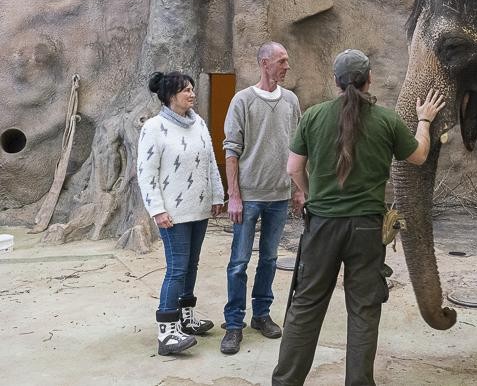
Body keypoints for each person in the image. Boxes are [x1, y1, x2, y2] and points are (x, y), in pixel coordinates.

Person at [272, 49, 445, 385]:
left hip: (321, 227)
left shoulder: (314, 116)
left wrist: (311, 194)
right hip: (366, 230)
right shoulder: (387, 120)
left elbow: (293, 168)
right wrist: (424, 120)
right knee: (364, 310)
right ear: (370, 79)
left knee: (306, 307)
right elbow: (420, 156)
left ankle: (286, 382)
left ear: (335, 82)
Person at [220, 42, 303, 355]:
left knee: (268, 259)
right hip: (249, 197)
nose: (286, 66)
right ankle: (233, 323)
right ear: (265, 63)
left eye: (287, 60)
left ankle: (261, 315)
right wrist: (234, 196)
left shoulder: (292, 101)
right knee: (239, 262)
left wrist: (298, 188)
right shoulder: (242, 100)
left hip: (279, 196)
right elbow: (231, 151)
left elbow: (298, 148)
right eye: (282, 60)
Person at [137, 71, 224, 356]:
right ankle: (166, 333)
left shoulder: (197, 122)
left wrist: (216, 195)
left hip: (198, 210)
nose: (192, 94)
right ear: (170, 96)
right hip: (172, 214)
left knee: (192, 265)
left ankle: (186, 319)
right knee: (176, 269)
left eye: (192, 89)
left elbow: (210, 159)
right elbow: (145, 173)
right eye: (186, 90)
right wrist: (157, 210)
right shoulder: (154, 127)